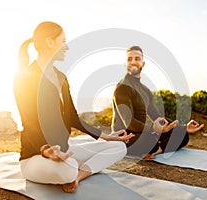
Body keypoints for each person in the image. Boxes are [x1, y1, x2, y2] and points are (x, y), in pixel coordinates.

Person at [13, 21, 134, 193]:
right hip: (35, 157)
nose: (67, 47)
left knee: (119, 147)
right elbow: (29, 121)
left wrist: (106, 136)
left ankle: (78, 176)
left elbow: (73, 118)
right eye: (63, 41)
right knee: (68, 168)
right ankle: (74, 171)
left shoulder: (61, 77)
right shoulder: (25, 78)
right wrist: (46, 150)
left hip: (65, 151)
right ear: (49, 42)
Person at [111, 45, 204, 159]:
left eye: (137, 58)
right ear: (126, 64)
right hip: (124, 138)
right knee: (148, 139)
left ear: (143, 63)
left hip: (144, 132)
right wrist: (153, 129)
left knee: (182, 135)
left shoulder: (145, 90)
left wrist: (183, 127)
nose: (133, 62)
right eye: (129, 59)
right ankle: (156, 146)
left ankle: (156, 150)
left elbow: (158, 117)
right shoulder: (122, 88)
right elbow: (129, 123)